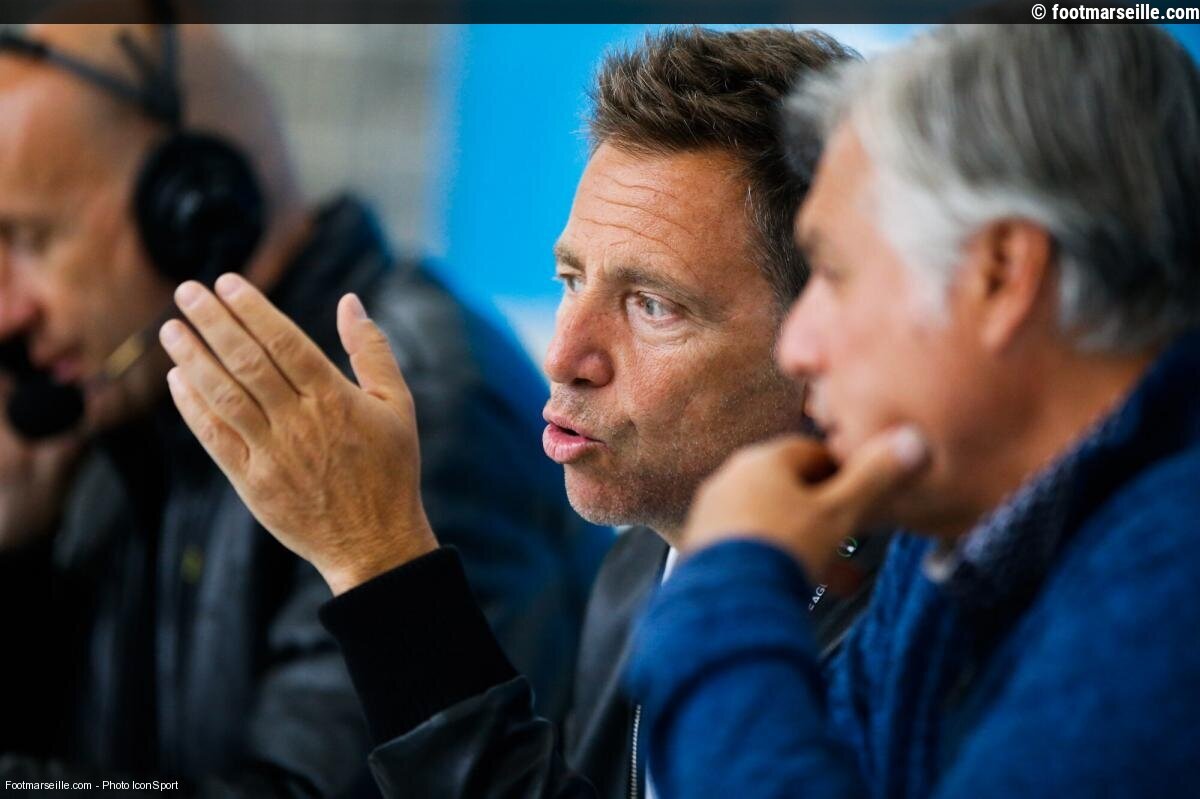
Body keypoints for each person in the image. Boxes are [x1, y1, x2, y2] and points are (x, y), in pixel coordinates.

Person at [155, 27, 883, 798]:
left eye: (652, 305)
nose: (564, 356)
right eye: (571, 280)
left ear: (822, 338)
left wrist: (379, 558)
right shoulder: (637, 570)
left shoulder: (896, 643)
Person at [0, 21, 610, 795]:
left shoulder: (409, 413)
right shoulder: (124, 403)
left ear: (189, 206)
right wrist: (17, 557)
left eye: (29, 239)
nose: (8, 312)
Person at [624, 22, 1200, 798]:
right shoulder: (952, 534)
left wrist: (727, 591)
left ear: (1000, 276)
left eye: (834, 272)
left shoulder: (1175, 590)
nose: (797, 347)